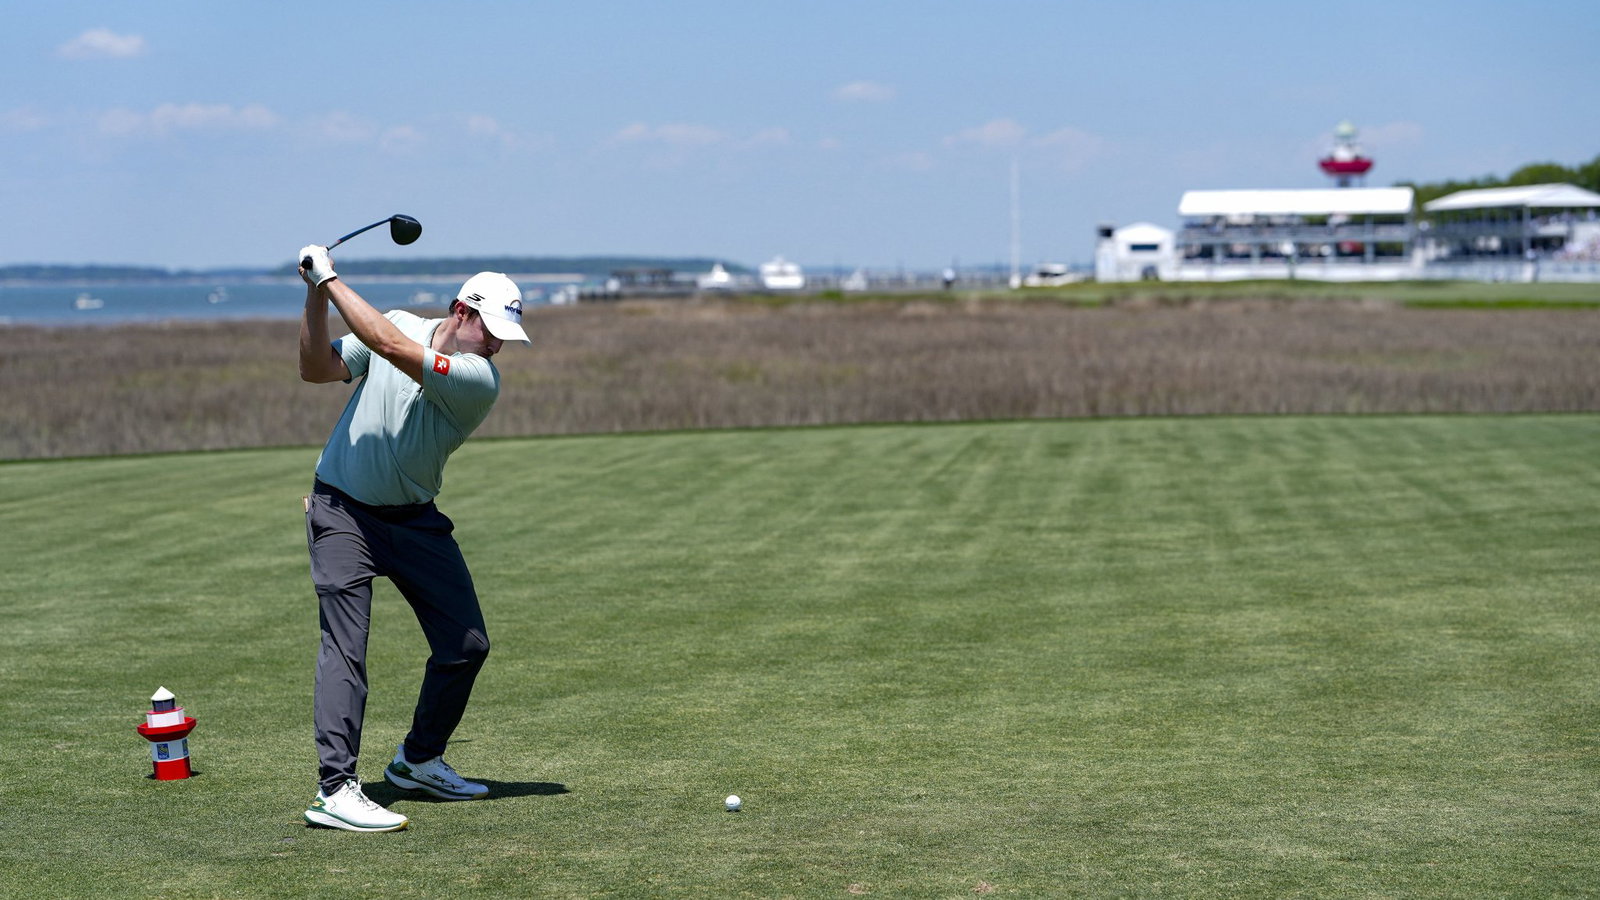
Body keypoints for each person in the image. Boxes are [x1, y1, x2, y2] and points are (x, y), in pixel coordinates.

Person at [295, 243, 529, 832]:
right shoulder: (397, 321)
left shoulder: (479, 379)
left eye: (506, 336)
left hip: (414, 519)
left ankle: (418, 761)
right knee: (346, 647)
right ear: (461, 310)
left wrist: (330, 277)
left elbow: (389, 347)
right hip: (342, 509)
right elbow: (316, 368)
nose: (498, 344)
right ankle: (336, 789)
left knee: (466, 644)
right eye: (492, 330)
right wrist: (314, 295)